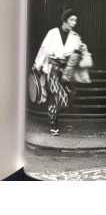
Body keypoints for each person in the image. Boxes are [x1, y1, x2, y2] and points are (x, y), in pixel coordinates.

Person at [33, 8, 87, 136]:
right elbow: (44, 49)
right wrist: (37, 64)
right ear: (64, 20)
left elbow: (79, 54)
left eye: (75, 20)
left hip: (66, 72)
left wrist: (80, 51)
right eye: (71, 20)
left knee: (65, 99)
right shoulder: (52, 33)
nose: (74, 23)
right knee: (56, 95)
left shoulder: (75, 36)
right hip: (52, 69)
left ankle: (53, 116)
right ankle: (53, 123)